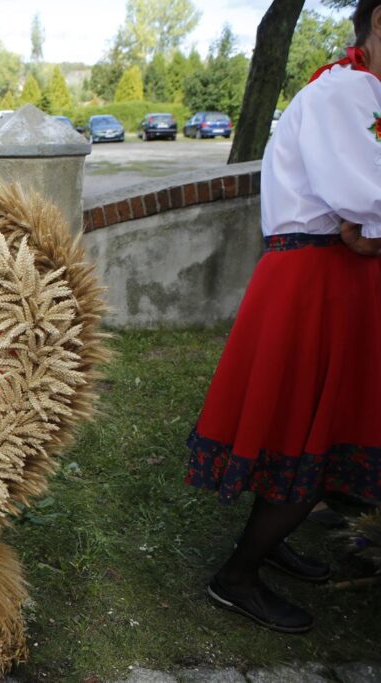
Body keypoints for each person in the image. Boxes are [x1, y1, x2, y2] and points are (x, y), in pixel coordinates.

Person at [185, 0, 381, 634]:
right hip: (316, 277)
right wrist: (367, 226)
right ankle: (236, 576)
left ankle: (269, 546)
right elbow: (363, 192)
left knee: (306, 427)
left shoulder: (354, 87)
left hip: (328, 273)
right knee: (306, 433)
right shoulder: (347, 90)